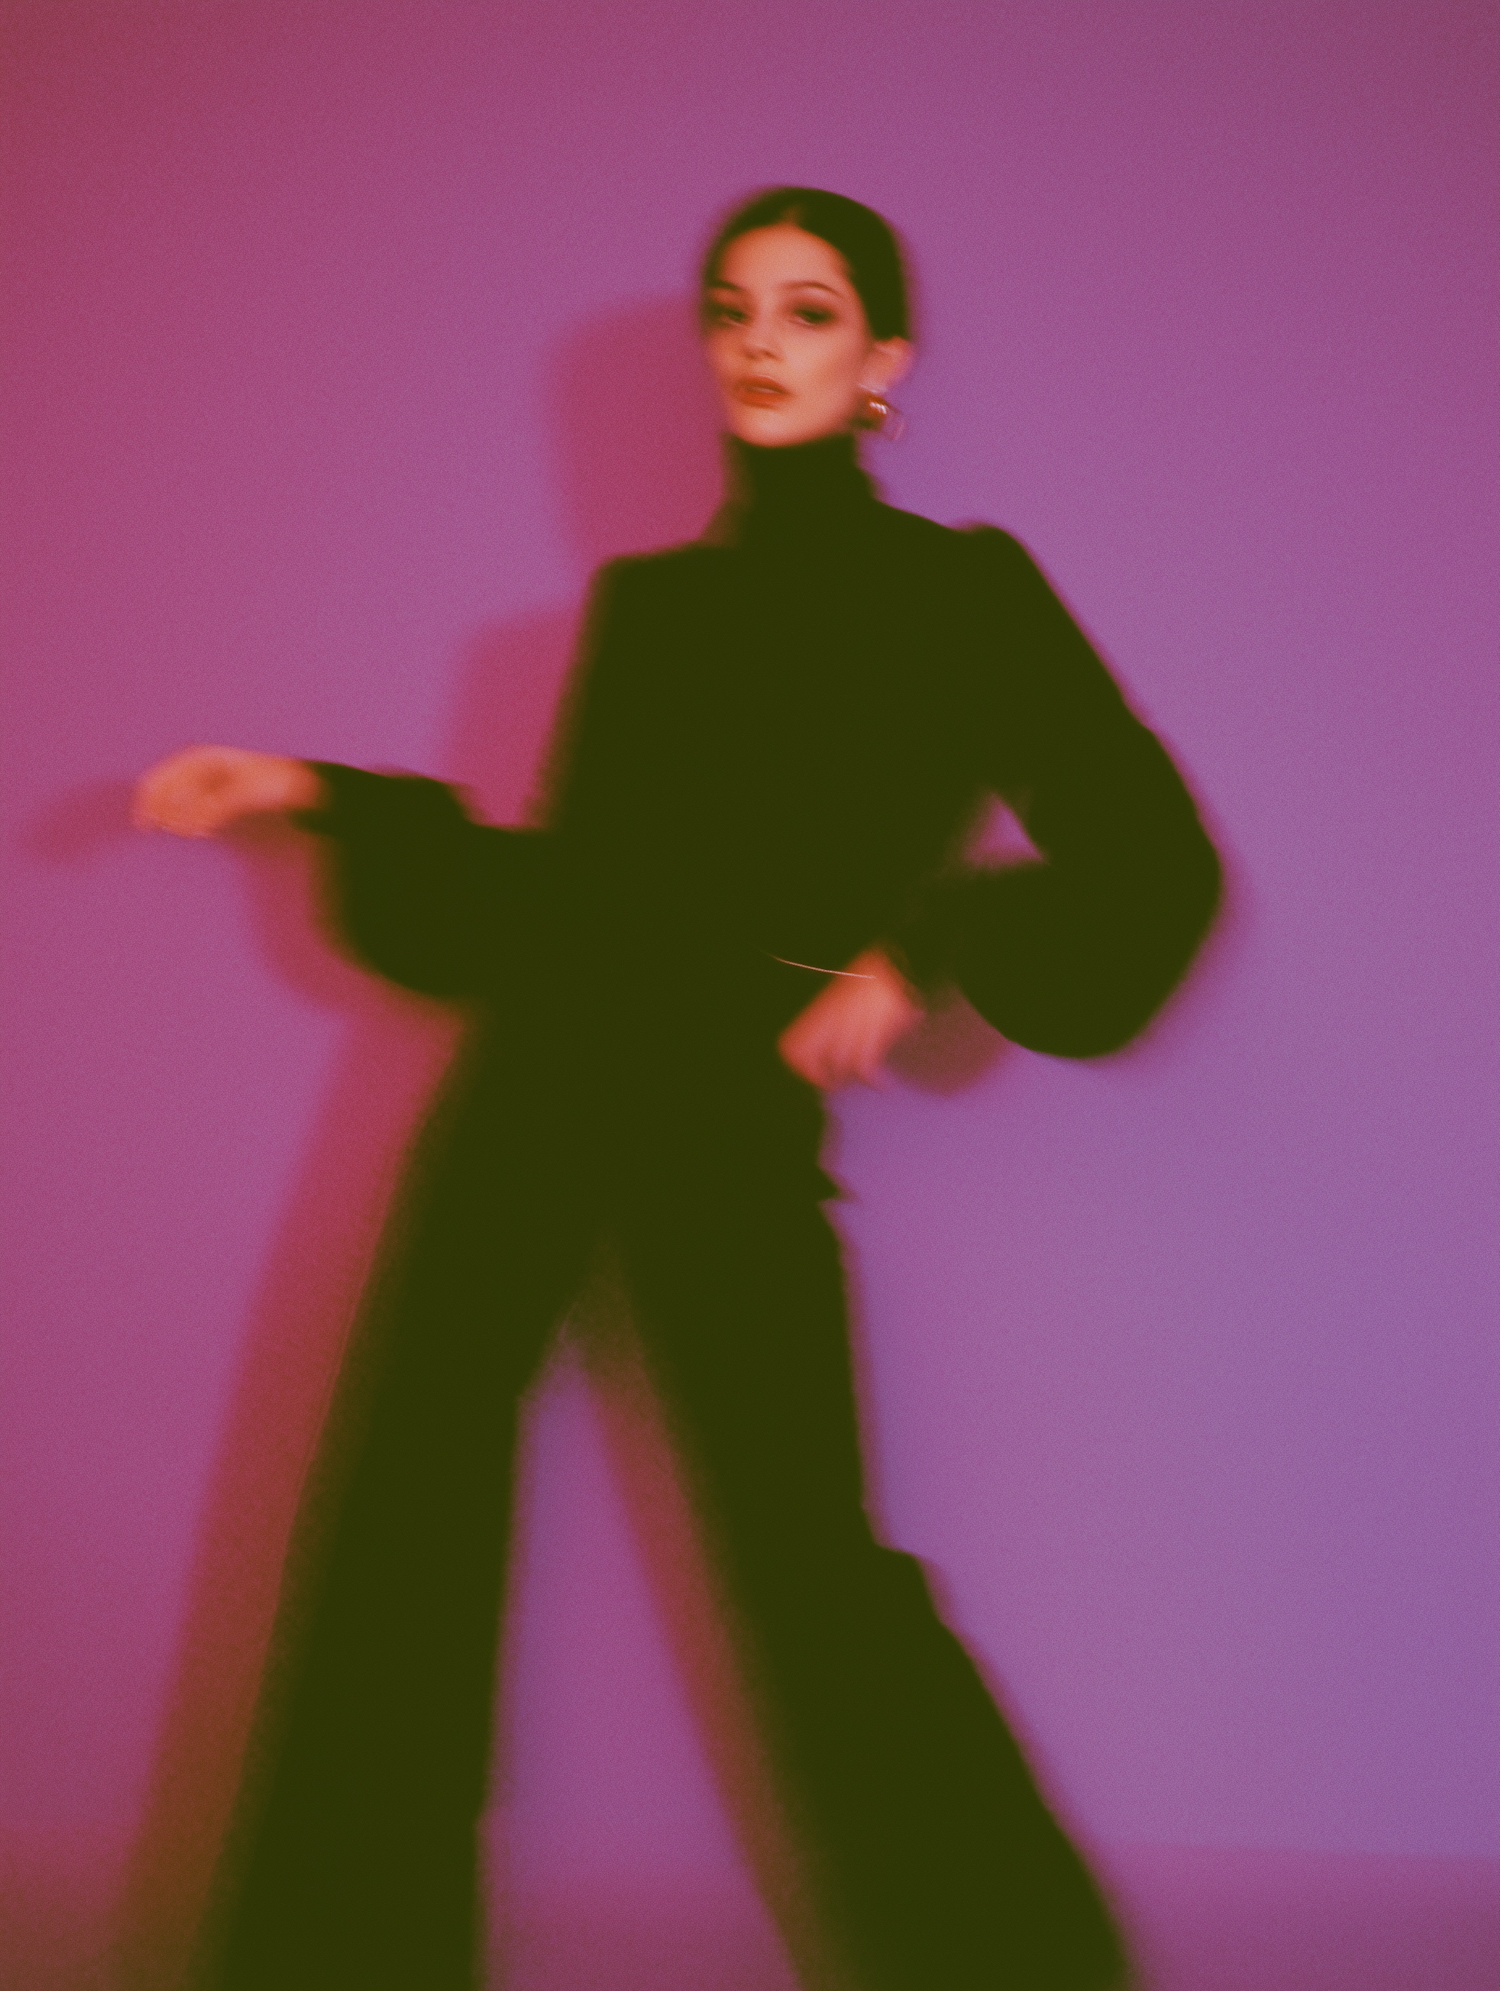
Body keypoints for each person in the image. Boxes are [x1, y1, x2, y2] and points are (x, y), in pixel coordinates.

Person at [136, 188, 1220, 1991]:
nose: (758, 343)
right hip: (534, 1081)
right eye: (733, 309)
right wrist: (320, 792)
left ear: (885, 358)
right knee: (404, 1497)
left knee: (810, 1568)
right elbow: (570, 892)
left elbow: (1152, 857)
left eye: (808, 309)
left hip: (727, 1104)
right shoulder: (650, 607)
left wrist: (930, 944)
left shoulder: (964, 590)